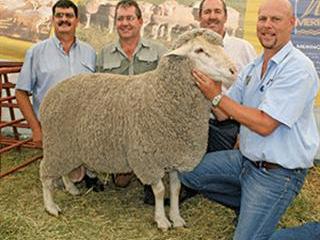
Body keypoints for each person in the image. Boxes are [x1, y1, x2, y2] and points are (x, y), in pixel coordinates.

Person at [180, 0, 320, 239]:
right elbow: (224, 113)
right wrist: (204, 83)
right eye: (263, 19)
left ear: (292, 23)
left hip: (277, 173)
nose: (267, 25)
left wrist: (214, 95)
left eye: (275, 20)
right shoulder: (254, 67)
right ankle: (249, 202)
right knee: (187, 172)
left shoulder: (299, 68)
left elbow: (265, 124)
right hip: (245, 160)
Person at [15, 0, 104, 191]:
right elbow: (21, 93)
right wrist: (36, 129)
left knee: (80, 173)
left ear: (77, 21)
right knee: (66, 177)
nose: (64, 19)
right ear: (53, 19)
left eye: (69, 16)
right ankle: (68, 170)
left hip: (83, 126)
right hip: (53, 128)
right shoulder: (36, 52)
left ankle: (88, 171)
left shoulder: (90, 52)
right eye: (59, 15)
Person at [97, 0, 167, 202]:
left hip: (149, 122)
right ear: (115, 22)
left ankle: (149, 167)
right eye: (120, 19)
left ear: (140, 21)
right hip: (117, 123)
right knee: (121, 182)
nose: (125, 23)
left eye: (130, 18)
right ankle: (126, 165)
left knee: (151, 173)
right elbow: (99, 92)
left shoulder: (159, 52)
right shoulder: (103, 54)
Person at [199, 0, 256, 153]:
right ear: (200, 17)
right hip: (197, 125)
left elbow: (254, 93)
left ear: (225, 17)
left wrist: (245, 133)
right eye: (207, 12)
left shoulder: (243, 48)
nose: (212, 16)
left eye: (217, 11)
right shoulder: (191, 50)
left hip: (230, 127)